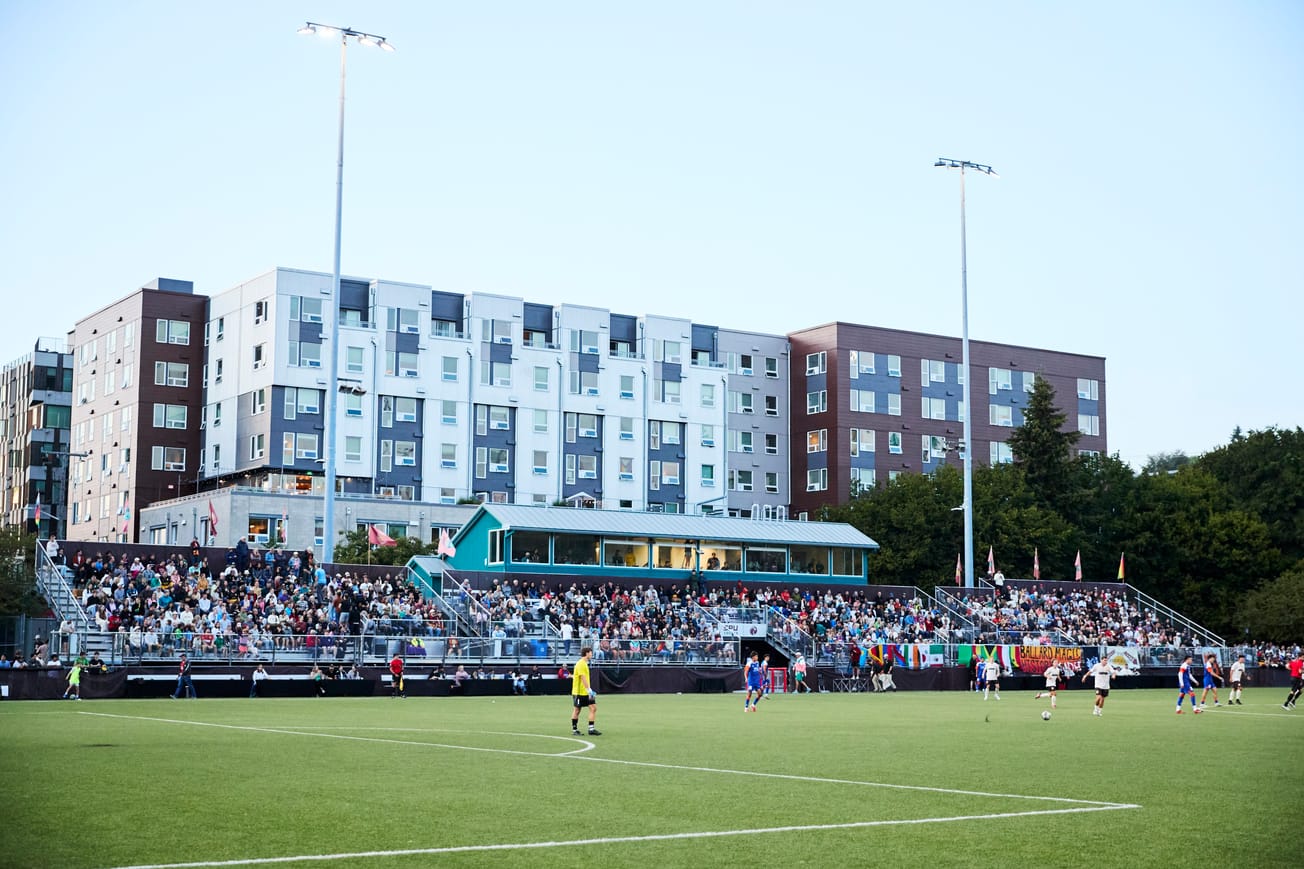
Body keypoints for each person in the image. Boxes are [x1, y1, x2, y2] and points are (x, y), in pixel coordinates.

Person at [571, 647, 601, 735]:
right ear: (587, 653)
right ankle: (575, 730)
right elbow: (582, 677)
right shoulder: (581, 664)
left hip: (585, 691)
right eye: (591, 653)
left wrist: (589, 690)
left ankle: (591, 729)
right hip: (579, 692)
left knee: (593, 708)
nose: (592, 655)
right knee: (577, 710)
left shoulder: (584, 663)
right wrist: (589, 690)